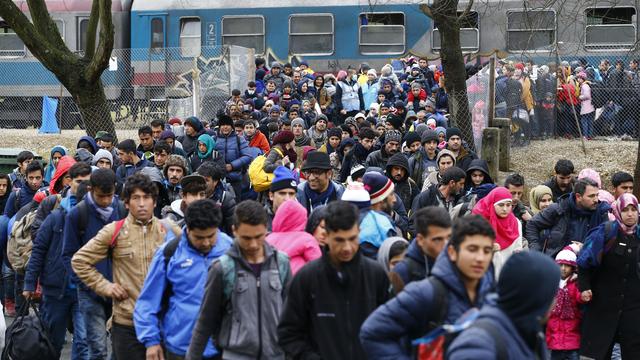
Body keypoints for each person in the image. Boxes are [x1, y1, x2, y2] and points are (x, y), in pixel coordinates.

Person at [71, 173, 181, 360]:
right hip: (126, 323)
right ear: (126, 203)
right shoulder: (114, 231)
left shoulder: (169, 230)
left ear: (154, 202)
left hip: (163, 321)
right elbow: (79, 261)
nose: (141, 203)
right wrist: (106, 287)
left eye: (146, 198)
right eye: (135, 198)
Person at [359, 215, 496, 358]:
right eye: (472, 249)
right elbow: (373, 331)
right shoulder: (426, 292)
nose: (480, 258)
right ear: (452, 252)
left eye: (487, 251)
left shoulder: (492, 295)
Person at [278, 200, 389, 360]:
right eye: (339, 240)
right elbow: (288, 333)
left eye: (352, 239)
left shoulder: (376, 275)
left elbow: (389, 328)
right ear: (327, 236)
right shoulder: (307, 278)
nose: (347, 248)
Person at [186, 200, 291, 359]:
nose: (254, 245)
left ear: (266, 230)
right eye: (246, 238)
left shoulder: (281, 263)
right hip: (235, 355)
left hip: (276, 354)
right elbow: (205, 321)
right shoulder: (223, 268)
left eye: (259, 236)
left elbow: (292, 315)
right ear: (234, 231)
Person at [134, 200, 233, 360]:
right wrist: (151, 341)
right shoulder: (169, 253)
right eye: (199, 238)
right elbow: (147, 301)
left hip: (222, 347)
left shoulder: (230, 249)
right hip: (180, 346)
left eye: (211, 236)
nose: (206, 242)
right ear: (188, 230)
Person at [22, 165, 90, 358]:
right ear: (69, 181)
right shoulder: (56, 214)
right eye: (79, 181)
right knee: (53, 341)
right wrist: (29, 283)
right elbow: (39, 251)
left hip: (84, 290)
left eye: (87, 182)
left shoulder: (96, 214)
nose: (83, 186)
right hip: (55, 290)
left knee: (84, 341)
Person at [62, 168, 127, 360]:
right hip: (90, 293)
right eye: (101, 196)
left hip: (120, 292)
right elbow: (68, 255)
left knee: (120, 347)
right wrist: (83, 283)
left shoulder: (123, 210)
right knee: (97, 348)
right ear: (91, 189)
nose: (106, 201)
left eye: (110, 196)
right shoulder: (77, 215)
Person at [447, 252, 560, 360]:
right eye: (552, 295)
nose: (555, 302)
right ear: (535, 298)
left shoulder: (530, 330)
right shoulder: (478, 347)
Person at [577, 193, 640, 359]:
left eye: (633, 209)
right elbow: (584, 262)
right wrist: (585, 288)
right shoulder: (605, 233)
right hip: (601, 306)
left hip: (633, 309)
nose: (630, 214)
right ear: (618, 211)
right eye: (625, 210)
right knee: (597, 352)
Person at [527, 178, 610, 257]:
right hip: (555, 265)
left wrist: (586, 248)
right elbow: (532, 224)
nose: (596, 200)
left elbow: (608, 243)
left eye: (597, 195)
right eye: (591, 196)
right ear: (578, 197)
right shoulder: (559, 209)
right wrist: (535, 250)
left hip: (586, 266)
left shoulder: (601, 214)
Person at [391, 206, 451, 293]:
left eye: (449, 237)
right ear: (420, 239)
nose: (445, 244)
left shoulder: (453, 263)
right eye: (438, 239)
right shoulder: (402, 271)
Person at [472, 187, 526, 277]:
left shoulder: (515, 222)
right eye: (501, 205)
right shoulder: (479, 221)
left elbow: (517, 249)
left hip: (507, 274)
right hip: (483, 273)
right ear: (492, 204)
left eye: (508, 205)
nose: (505, 209)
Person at [546, 246, 585, 360]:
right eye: (560, 265)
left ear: (573, 268)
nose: (563, 269)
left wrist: (584, 296)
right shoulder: (552, 284)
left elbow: (579, 297)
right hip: (554, 337)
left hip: (572, 337)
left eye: (567, 266)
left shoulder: (575, 283)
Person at [266, 199, 321, 274]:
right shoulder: (306, 238)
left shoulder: (268, 238)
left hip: (272, 279)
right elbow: (318, 264)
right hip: (298, 280)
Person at [410, 167, 466, 234]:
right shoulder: (425, 197)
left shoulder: (457, 198)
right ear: (452, 183)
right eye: (461, 184)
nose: (462, 187)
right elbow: (413, 225)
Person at [215, 114, 254, 198]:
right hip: (218, 179)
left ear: (232, 127)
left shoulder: (239, 139)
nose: (225, 127)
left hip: (235, 179)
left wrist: (232, 166)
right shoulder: (214, 139)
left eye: (228, 125)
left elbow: (247, 156)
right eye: (223, 125)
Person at [196, 162, 236, 235]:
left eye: (206, 180)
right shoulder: (192, 195)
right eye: (200, 179)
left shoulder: (226, 199)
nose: (201, 183)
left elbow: (232, 230)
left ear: (215, 182)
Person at [265, 166, 298, 231]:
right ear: (271, 195)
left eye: (291, 194)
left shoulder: (300, 219)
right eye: (282, 193)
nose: (287, 199)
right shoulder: (260, 219)